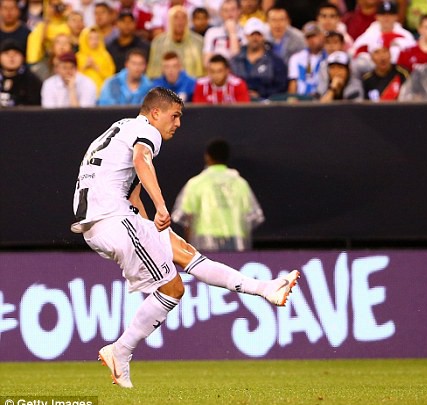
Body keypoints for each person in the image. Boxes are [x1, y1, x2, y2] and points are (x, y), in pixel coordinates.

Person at [72, 87, 300, 388]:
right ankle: (121, 350)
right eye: (175, 115)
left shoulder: (120, 128)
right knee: (173, 289)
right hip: (110, 220)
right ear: (156, 112)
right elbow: (142, 161)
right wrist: (162, 206)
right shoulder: (146, 131)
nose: (178, 123)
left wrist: (152, 227)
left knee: (184, 251)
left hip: (108, 218)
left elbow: (132, 190)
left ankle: (265, 289)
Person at [171, 139, 264, 251]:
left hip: (205, 238)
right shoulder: (240, 183)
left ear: (207, 156)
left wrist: (187, 249)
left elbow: (187, 218)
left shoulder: (196, 183)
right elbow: (251, 217)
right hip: (236, 239)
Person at [230, 17, 287, 100]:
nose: (255, 38)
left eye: (258, 34)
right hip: (239, 104)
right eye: (252, 34)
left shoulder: (275, 61)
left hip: (266, 105)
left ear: (264, 36)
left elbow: (281, 87)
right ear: (246, 36)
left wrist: (260, 93)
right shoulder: (235, 61)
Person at [147, 5, 204, 80]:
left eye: (183, 17)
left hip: (192, 86)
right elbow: (153, 71)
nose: (180, 21)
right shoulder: (158, 42)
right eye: (176, 17)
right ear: (169, 20)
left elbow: (203, 73)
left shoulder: (198, 41)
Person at [287, 21, 327, 97]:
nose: (311, 40)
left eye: (314, 36)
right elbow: (293, 83)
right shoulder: (296, 58)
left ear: (322, 36)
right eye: (308, 37)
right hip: (302, 101)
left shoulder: (329, 57)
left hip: (323, 99)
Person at [0, 38, 41, 106]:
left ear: (23, 57)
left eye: (16, 53)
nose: (11, 57)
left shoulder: (32, 81)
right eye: (7, 53)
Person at [76, 26, 115, 94]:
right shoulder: (78, 56)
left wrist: (96, 67)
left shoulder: (105, 55)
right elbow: (74, 76)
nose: (94, 41)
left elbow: (111, 76)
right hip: (83, 93)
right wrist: (85, 66)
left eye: (97, 38)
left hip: (102, 92)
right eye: (90, 38)